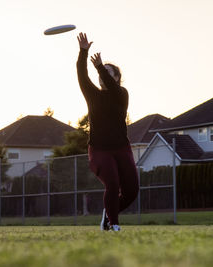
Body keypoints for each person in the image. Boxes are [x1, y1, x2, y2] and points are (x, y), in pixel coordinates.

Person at [76, 32, 139, 231]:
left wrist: (101, 67)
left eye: (109, 72)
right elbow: (82, 74)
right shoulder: (93, 94)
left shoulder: (122, 94)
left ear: (117, 78)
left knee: (131, 191)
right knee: (112, 184)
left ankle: (108, 214)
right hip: (99, 150)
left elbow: (112, 87)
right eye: (102, 73)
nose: (103, 75)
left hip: (121, 148)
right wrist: (83, 52)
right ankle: (114, 225)